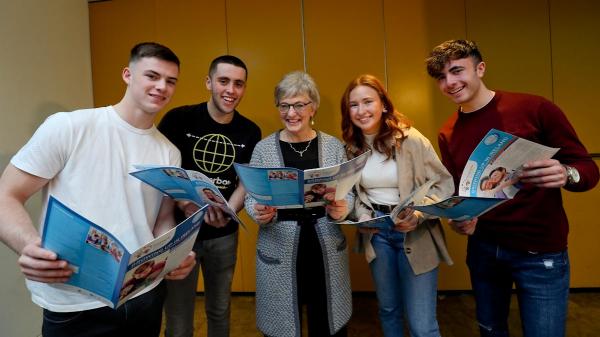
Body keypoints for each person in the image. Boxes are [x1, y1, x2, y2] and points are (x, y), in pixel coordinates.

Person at [0, 42, 197, 337]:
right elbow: (7, 195)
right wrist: (29, 246)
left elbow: (161, 219)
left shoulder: (169, 151)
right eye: (152, 76)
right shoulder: (69, 127)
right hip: (74, 302)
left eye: (170, 81)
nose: (161, 87)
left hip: (144, 294)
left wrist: (171, 256)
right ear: (128, 75)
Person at [425, 39, 599, 337]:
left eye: (457, 70)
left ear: (480, 68)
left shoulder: (534, 108)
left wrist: (566, 173)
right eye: (441, 77)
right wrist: (461, 218)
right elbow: (462, 190)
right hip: (484, 250)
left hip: (540, 250)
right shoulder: (448, 131)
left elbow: (587, 169)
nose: (450, 82)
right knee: (491, 331)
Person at [340, 74, 454, 337]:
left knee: (422, 325)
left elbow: (444, 185)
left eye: (368, 101)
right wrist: (363, 215)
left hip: (417, 234)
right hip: (378, 236)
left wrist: (418, 214)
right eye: (353, 105)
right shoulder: (350, 147)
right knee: (389, 311)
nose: (361, 110)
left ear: (384, 104)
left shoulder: (411, 139)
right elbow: (354, 195)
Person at [158, 55, 261, 337]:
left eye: (238, 84)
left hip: (223, 235)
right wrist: (185, 203)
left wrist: (229, 210)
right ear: (209, 82)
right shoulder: (178, 119)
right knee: (178, 320)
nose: (231, 90)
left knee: (219, 310)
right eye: (223, 81)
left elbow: (246, 182)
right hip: (181, 234)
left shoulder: (250, 131)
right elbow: (166, 172)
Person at [244, 71, 352, 337]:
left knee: (327, 320)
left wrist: (343, 207)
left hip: (324, 241)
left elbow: (348, 191)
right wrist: (258, 212)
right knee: (281, 324)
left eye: (299, 104)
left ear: (312, 107)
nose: (291, 112)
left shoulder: (333, 146)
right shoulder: (263, 149)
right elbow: (251, 197)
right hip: (279, 241)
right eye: (284, 105)